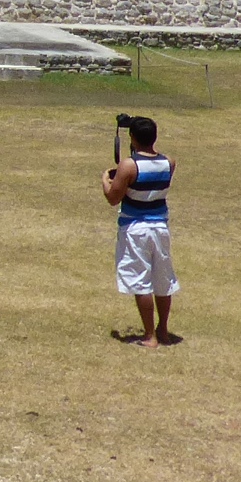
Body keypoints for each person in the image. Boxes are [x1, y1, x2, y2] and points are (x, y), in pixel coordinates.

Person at [102, 115, 178, 346]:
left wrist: (106, 180)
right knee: (162, 280)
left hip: (135, 228)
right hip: (160, 227)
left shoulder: (129, 165)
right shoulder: (169, 162)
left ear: (133, 138)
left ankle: (149, 336)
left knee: (141, 281)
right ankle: (162, 330)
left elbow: (114, 198)